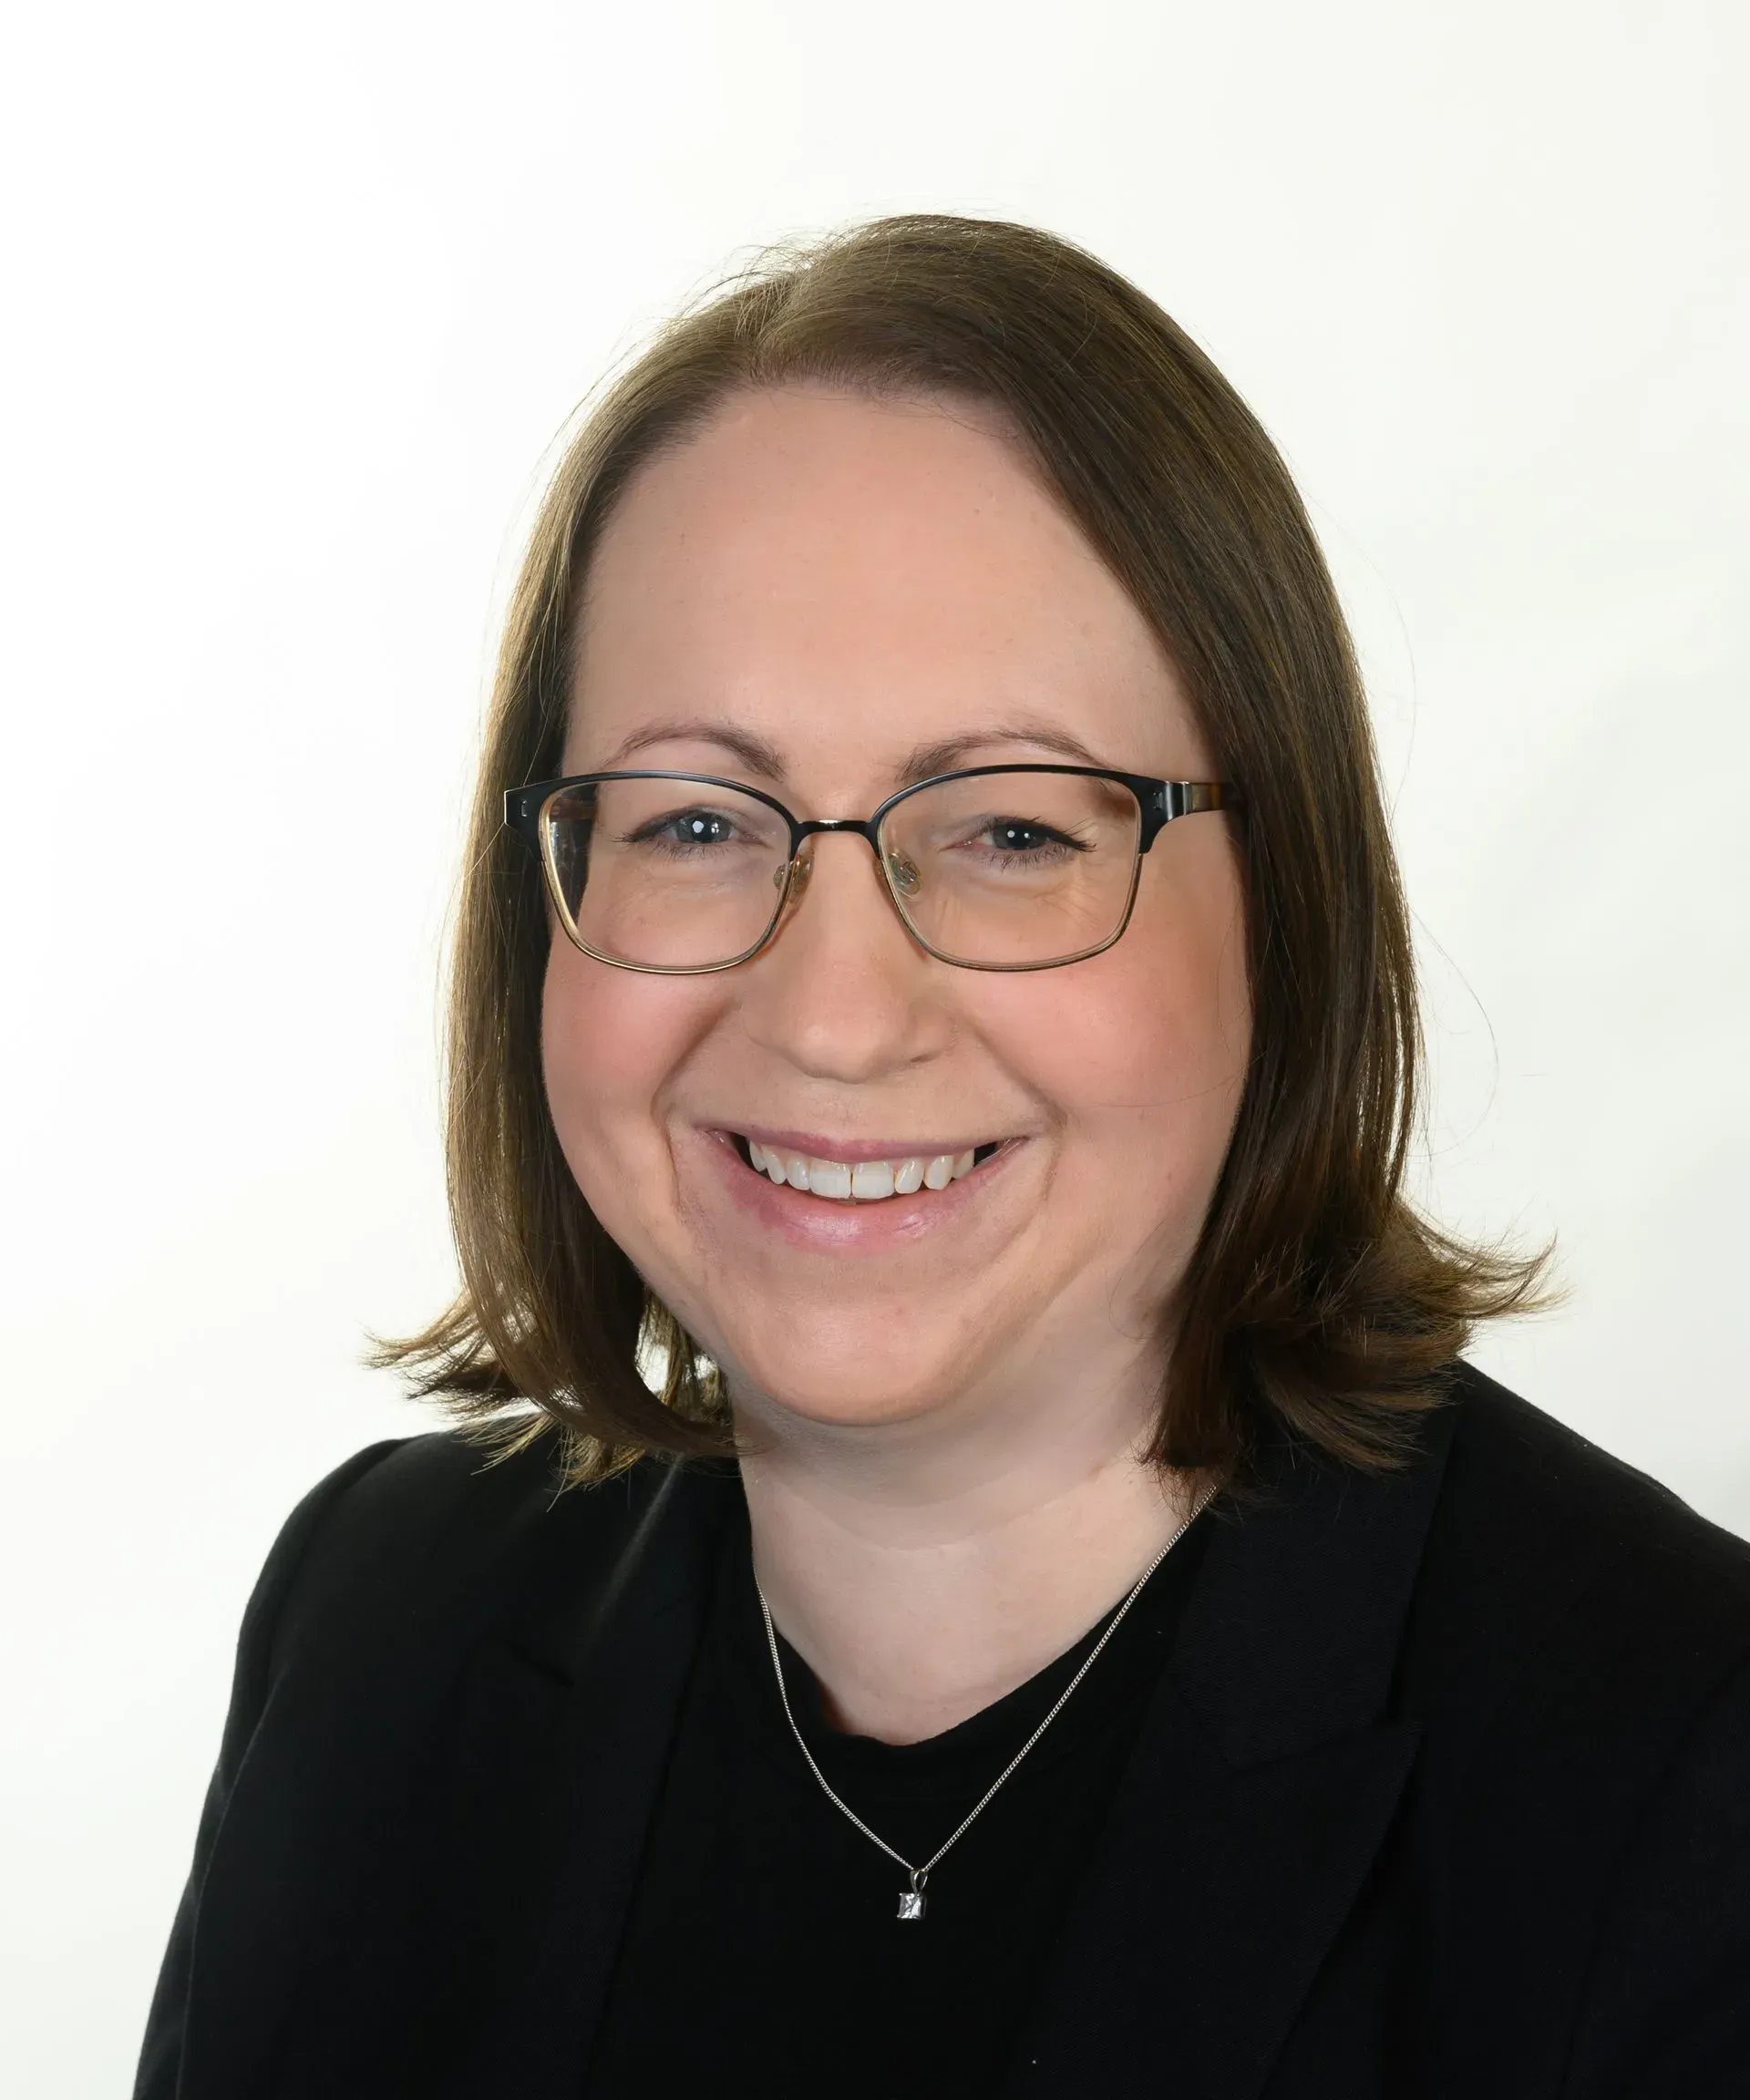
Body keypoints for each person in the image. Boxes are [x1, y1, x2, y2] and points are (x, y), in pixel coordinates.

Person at [135, 215, 1750, 2100]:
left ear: (1287, 910)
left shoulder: (1683, 1779)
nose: (832, 1014)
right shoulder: (380, 1618)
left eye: (1010, 834)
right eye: (692, 823)